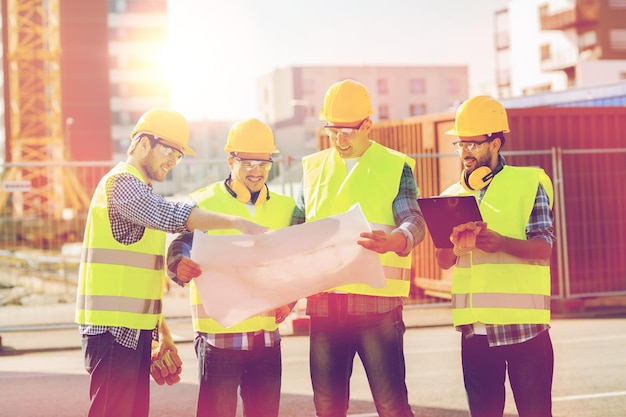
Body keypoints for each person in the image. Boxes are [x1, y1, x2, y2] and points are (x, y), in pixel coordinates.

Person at [75, 109, 267, 417]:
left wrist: (159, 336)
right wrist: (235, 221)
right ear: (142, 143)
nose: (172, 162)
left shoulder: (140, 189)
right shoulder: (122, 184)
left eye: (178, 157)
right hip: (111, 333)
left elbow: (140, 282)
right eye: (169, 151)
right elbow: (171, 215)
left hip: (130, 332)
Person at [291, 79, 425, 417]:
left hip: (376, 311)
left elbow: (414, 221)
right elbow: (293, 234)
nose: (339, 139)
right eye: (332, 130)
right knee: (327, 409)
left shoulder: (395, 166)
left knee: (392, 407)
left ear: (367, 125)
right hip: (324, 310)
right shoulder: (313, 169)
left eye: (347, 131)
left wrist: (396, 240)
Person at [166, 118, 296, 417]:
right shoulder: (204, 201)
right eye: (247, 162)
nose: (256, 170)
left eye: (263, 163)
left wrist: (291, 299)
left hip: (266, 338)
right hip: (219, 338)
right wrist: (178, 265)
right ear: (230, 160)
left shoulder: (286, 208)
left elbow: (297, 261)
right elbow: (180, 244)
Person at [435, 95, 555, 417]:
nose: (465, 153)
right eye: (460, 145)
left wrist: (502, 243)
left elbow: (544, 248)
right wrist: (455, 247)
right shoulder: (450, 197)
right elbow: (444, 261)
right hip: (475, 334)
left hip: (525, 331)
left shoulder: (529, 184)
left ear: (496, 143)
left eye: (473, 144)